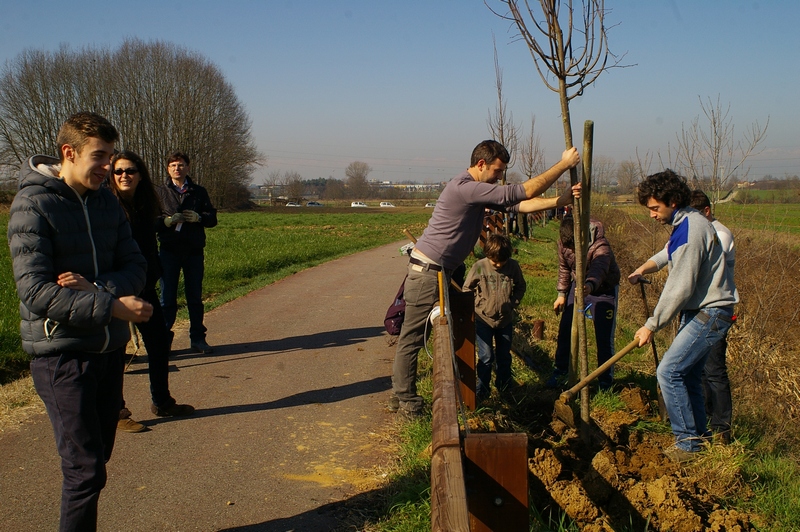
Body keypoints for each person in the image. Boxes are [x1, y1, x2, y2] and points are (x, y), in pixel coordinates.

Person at [7, 112, 152, 530]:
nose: (109, 167)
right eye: (100, 157)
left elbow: (135, 264)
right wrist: (113, 306)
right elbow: (34, 291)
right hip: (62, 355)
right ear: (69, 153)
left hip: (108, 350)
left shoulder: (106, 201)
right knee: (85, 470)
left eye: (111, 157)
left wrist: (96, 289)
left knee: (96, 460)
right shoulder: (32, 203)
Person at [390, 139, 581, 418]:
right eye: (497, 171)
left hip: (440, 272)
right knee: (413, 337)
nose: (500, 177)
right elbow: (522, 191)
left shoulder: (477, 192)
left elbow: (518, 205)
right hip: (428, 273)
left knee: (426, 334)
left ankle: (401, 394)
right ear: (481, 165)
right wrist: (564, 165)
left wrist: (557, 201)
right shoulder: (464, 188)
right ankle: (405, 399)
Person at [628, 170, 737, 462]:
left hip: (710, 311)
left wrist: (651, 325)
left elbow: (679, 287)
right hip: (702, 310)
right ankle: (698, 439)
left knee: (668, 371)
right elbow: (668, 253)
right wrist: (643, 268)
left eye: (654, 208)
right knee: (687, 374)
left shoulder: (691, 230)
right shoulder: (686, 223)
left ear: (673, 201)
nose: (651, 215)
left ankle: (687, 444)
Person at [109, 151, 196, 432]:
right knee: (115, 351)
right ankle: (117, 411)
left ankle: (163, 401)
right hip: (117, 289)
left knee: (159, 342)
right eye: (118, 171)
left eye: (131, 170)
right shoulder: (106, 205)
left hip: (145, 284)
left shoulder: (147, 204)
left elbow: (150, 241)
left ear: (141, 174)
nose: (125, 176)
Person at [547, 215, 620, 391]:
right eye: (567, 246)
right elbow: (564, 268)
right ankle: (561, 371)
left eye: (573, 246)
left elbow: (599, 269)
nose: (569, 249)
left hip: (603, 290)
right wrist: (562, 294)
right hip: (577, 287)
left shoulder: (600, 246)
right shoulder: (564, 243)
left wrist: (589, 285)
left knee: (603, 336)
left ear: (581, 236)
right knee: (565, 329)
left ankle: (605, 381)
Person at [157, 152, 218, 354]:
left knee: (194, 298)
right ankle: (164, 340)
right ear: (168, 169)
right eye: (173, 165)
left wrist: (199, 217)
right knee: (167, 299)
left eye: (181, 165)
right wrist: (165, 222)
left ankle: (198, 339)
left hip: (193, 252)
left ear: (188, 168)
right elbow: (150, 220)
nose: (177, 168)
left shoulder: (199, 192)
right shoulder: (159, 192)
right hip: (168, 251)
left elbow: (212, 218)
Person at [690, 190, 736, 445]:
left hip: (716, 308)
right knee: (700, 369)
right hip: (699, 307)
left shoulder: (720, 233)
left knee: (715, 370)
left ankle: (721, 430)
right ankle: (705, 419)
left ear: (706, 211)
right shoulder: (703, 231)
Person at [464, 233, 527, 401]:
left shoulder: (513, 267)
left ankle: (504, 387)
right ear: (487, 256)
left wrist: (513, 303)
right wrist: (474, 306)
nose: (498, 265)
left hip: (505, 320)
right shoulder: (479, 266)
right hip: (483, 319)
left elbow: (521, 286)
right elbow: (467, 288)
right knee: (486, 356)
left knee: (504, 355)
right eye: (495, 262)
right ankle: (482, 390)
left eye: (502, 262)